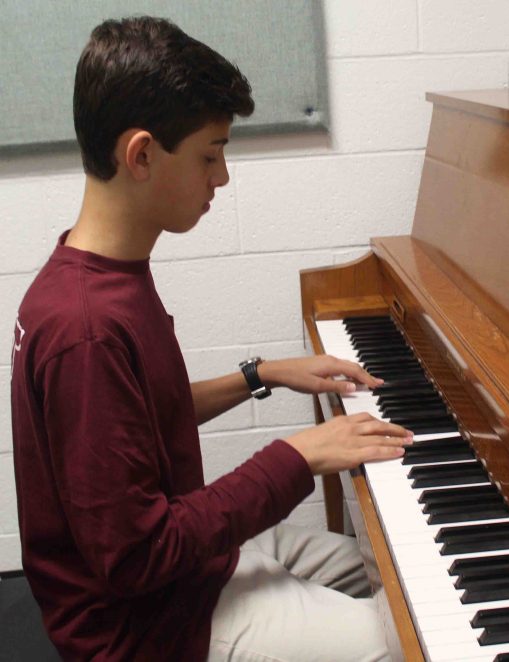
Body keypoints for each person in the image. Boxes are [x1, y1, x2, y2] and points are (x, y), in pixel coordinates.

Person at [9, 16, 411, 662]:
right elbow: (137, 555)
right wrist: (298, 454)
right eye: (209, 154)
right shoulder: (84, 329)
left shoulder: (100, 275)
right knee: (406, 645)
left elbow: (136, 421)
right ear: (140, 155)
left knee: (395, 569)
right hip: (147, 631)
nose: (220, 178)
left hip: (190, 580)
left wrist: (265, 375)